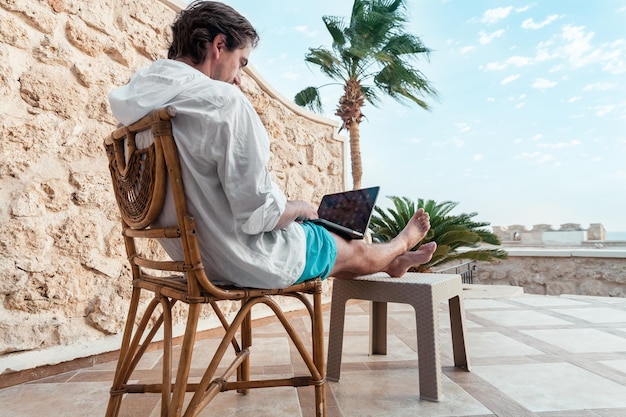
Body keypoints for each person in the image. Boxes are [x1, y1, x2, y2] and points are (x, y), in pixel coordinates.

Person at [109, 1, 437, 289]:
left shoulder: (139, 108)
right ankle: (399, 245)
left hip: (190, 256)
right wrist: (296, 208)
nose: (239, 78)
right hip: (241, 258)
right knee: (342, 244)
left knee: (331, 251)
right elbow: (258, 215)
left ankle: (391, 264)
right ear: (219, 46)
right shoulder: (221, 102)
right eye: (242, 63)